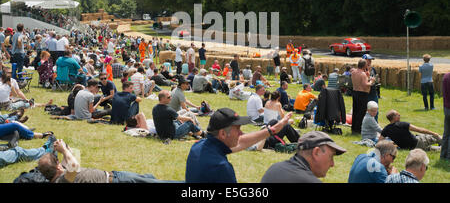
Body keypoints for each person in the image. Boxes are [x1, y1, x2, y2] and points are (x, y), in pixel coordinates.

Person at [185, 107, 293, 183]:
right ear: (223, 133)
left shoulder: (198, 146)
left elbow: (241, 142)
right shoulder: (221, 167)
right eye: (237, 129)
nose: (241, 133)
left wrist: (270, 131)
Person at [38, 139, 170, 183]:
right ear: (57, 167)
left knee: (149, 178)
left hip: (114, 175)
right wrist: (64, 152)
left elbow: (74, 155)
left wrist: (64, 147)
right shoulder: (62, 181)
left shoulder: (61, 174)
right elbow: (74, 164)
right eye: (57, 160)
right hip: (116, 180)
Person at [261, 131, 346, 183]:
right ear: (316, 153)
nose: (332, 164)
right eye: (331, 157)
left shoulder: (274, 168)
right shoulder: (309, 181)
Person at [351, 59, 375, 134]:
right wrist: (371, 81)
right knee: (361, 112)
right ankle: (358, 129)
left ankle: (354, 128)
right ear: (364, 66)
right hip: (362, 94)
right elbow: (365, 85)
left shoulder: (353, 72)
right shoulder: (362, 74)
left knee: (355, 111)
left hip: (355, 92)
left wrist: (367, 76)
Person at [441, 72, 450, 160]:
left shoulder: (446, 76)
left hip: (446, 107)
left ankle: (443, 155)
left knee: (446, 133)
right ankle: (448, 156)